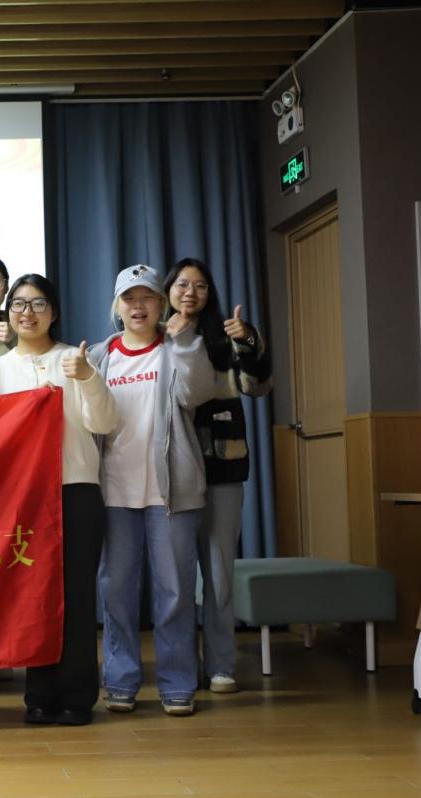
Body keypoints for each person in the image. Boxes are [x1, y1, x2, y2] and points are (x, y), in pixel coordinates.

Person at [0, 273, 117, 726]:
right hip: (23, 497)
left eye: (38, 303)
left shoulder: (75, 360)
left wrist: (87, 378)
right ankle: (39, 695)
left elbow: (103, 423)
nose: (28, 313)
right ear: (8, 313)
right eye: (19, 304)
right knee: (34, 596)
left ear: (54, 311)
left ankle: (78, 696)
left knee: (77, 597)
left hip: (75, 489)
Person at [89, 264, 216, 717]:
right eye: (129, 298)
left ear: (161, 303)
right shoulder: (100, 355)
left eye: (146, 297)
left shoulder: (179, 345)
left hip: (172, 491)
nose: (137, 306)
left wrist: (185, 342)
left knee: (176, 591)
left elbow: (197, 393)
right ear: (117, 306)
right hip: (114, 491)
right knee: (116, 591)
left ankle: (178, 683)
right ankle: (120, 679)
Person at [163, 259, 272, 695]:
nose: (190, 292)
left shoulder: (227, 338)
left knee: (219, 570)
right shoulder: (154, 336)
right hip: (170, 467)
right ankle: (180, 666)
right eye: (182, 284)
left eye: (200, 286)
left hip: (222, 466)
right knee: (174, 575)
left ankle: (221, 663)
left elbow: (257, 387)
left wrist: (248, 341)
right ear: (168, 289)